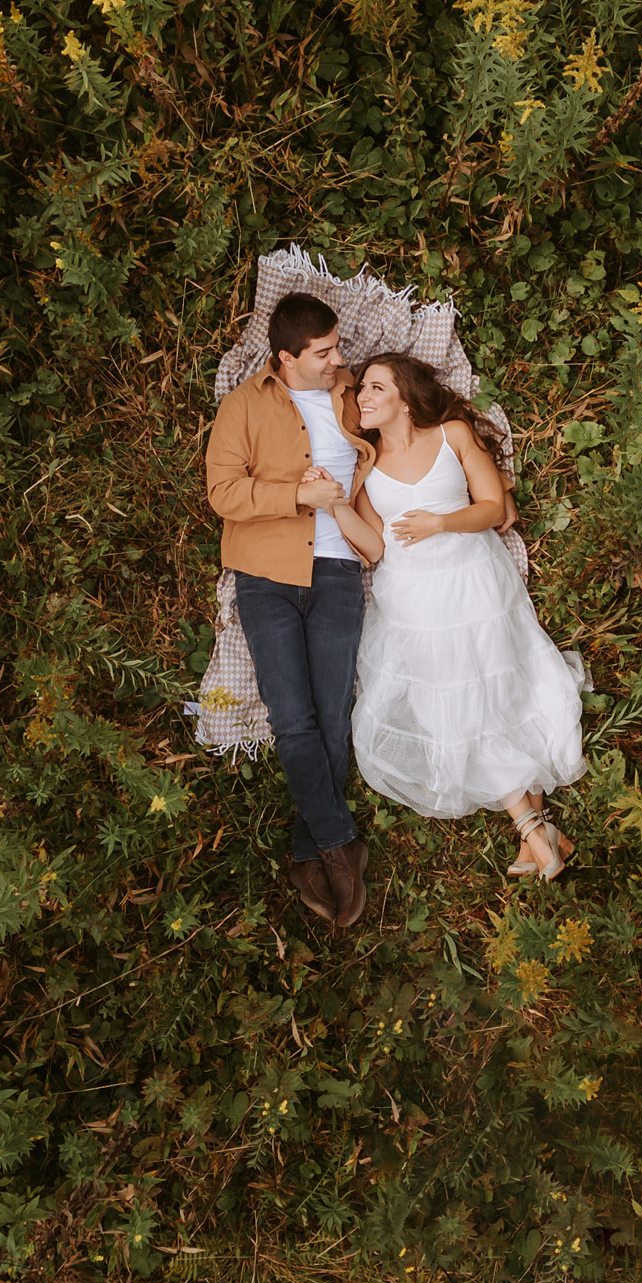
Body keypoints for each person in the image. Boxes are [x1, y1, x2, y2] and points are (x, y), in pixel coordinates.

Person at [317, 351, 584, 880]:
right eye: (361, 389)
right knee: (461, 708)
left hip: (473, 581)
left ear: (405, 398)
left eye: (374, 388)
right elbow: (374, 549)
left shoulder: (453, 435)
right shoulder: (365, 467)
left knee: (497, 700)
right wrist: (335, 505)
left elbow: (491, 508)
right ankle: (537, 831)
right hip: (414, 600)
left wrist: (440, 523)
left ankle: (537, 834)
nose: (361, 398)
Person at [203, 293, 380, 928]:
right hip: (265, 575)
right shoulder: (244, 406)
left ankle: (310, 847)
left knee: (332, 717)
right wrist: (296, 495)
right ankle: (338, 846)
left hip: (337, 572)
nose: (340, 358)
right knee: (293, 717)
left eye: (339, 348)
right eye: (326, 352)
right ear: (287, 357)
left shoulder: (355, 392)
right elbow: (222, 492)